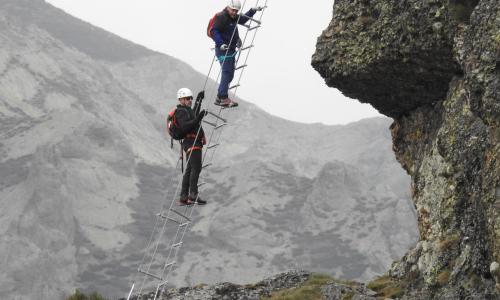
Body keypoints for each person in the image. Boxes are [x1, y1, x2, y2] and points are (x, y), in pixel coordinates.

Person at [209, 0, 263, 107]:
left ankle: (220, 97)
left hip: (231, 49)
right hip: (223, 49)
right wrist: (220, 44)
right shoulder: (222, 17)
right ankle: (223, 97)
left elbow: (242, 19)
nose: (234, 12)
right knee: (227, 72)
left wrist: (252, 11)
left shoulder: (232, 17)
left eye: (236, 11)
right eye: (233, 10)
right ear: (228, 8)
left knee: (230, 74)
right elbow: (214, 31)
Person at [175, 88, 208, 205]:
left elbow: (194, 115)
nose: (190, 100)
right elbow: (185, 126)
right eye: (188, 98)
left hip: (191, 142)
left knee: (189, 170)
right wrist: (199, 117)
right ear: (181, 99)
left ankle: (184, 197)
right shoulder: (181, 112)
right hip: (192, 141)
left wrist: (199, 99)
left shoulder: (186, 110)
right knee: (196, 167)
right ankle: (193, 194)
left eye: (191, 98)